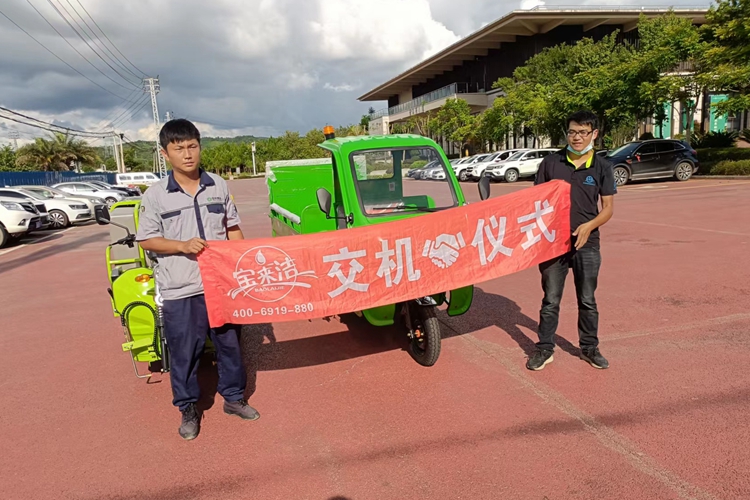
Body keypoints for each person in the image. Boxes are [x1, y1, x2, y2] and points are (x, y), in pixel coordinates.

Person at [136, 119, 259, 440]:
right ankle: (188, 407)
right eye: (179, 149)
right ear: (165, 154)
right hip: (180, 288)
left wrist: (243, 265)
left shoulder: (218, 185)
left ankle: (233, 398)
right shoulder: (156, 195)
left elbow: (232, 229)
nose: (187, 154)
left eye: (192, 146)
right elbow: (147, 239)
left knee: (230, 346)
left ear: (200, 147)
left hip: (221, 286)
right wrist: (181, 245)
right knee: (184, 351)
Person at [526, 110, 616, 371]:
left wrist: (589, 226)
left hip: (586, 243)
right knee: (551, 299)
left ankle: (589, 348)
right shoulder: (551, 163)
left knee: (587, 299)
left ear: (594, 134)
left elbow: (608, 208)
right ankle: (544, 349)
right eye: (572, 132)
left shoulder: (602, 167)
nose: (577, 137)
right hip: (553, 243)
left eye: (583, 132)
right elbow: (536, 202)